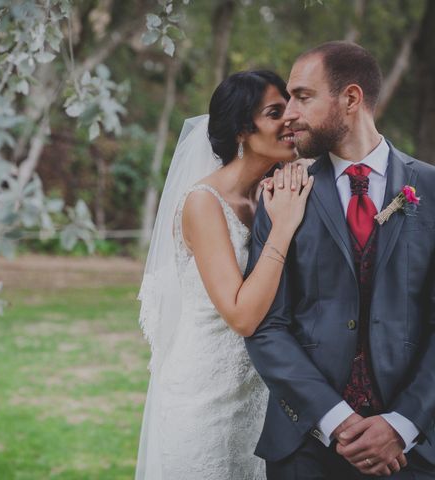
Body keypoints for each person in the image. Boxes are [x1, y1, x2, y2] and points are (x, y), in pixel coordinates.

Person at [245, 41, 435, 479]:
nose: (288, 112)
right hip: (305, 448)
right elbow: (264, 324)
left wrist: (402, 424)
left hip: (412, 450)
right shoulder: (282, 194)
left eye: (303, 97)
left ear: (351, 98)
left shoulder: (430, 188)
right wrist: (336, 420)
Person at [135, 70, 314, 479]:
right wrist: (283, 228)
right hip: (204, 397)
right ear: (241, 130)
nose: (291, 120)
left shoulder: (278, 190)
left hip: (262, 393)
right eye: (275, 113)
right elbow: (241, 315)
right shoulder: (203, 203)